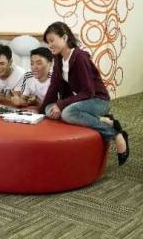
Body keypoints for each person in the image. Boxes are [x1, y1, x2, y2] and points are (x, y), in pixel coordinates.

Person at [40, 22, 130, 165]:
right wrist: (39, 112)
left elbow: (89, 91)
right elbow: (54, 86)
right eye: (48, 42)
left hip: (97, 100)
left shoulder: (80, 57)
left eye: (52, 40)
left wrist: (61, 104)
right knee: (48, 109)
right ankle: (102, 119)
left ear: (64, 38)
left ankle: (115, 134)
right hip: (80, 101)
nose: (50, 45)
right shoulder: (58, 59)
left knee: (68, 113)